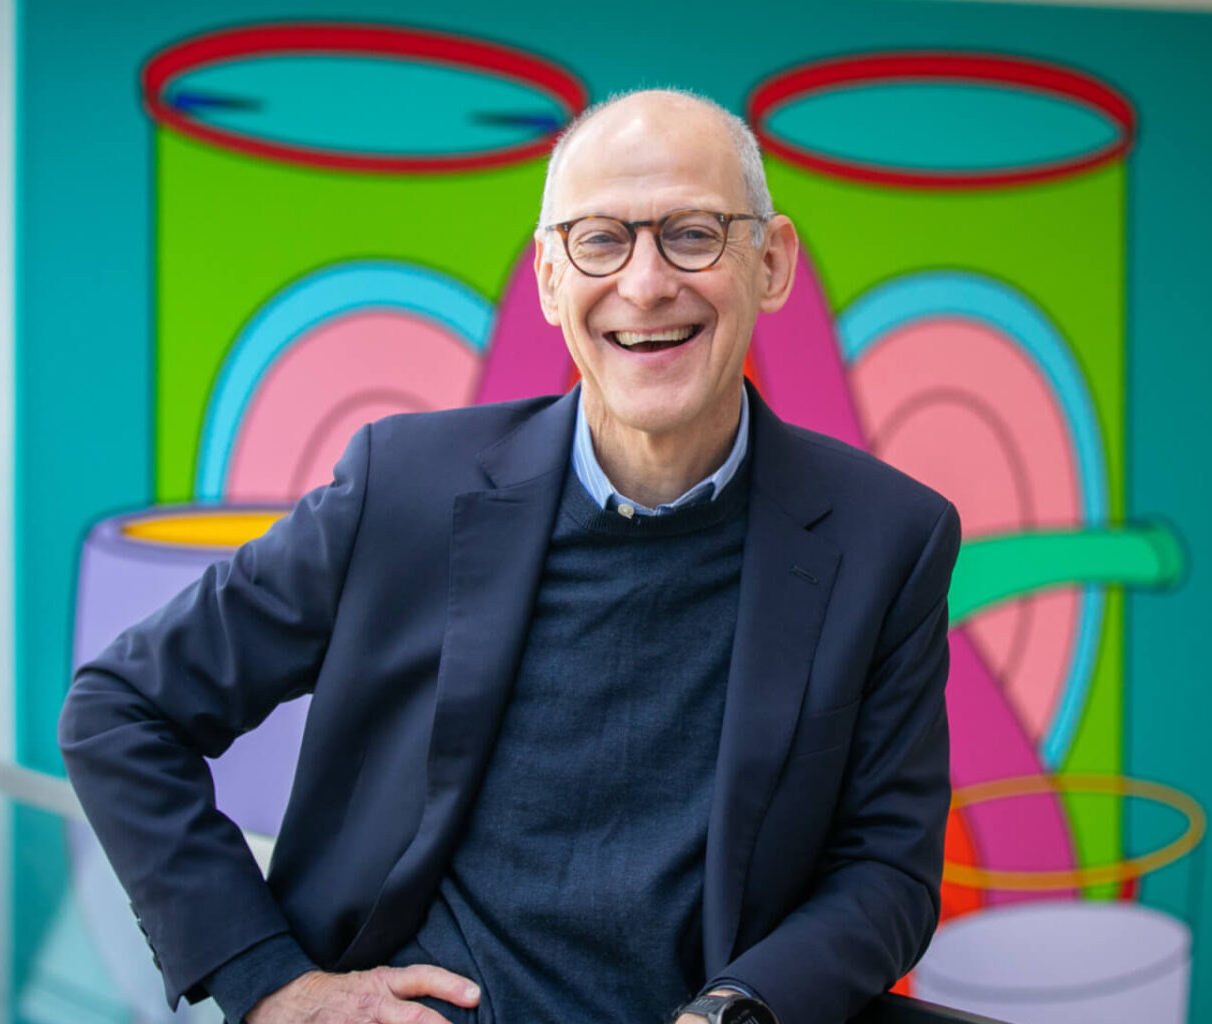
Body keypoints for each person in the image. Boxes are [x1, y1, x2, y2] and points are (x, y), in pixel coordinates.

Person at [59, 88, 961, 1024]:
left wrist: (739, 1009)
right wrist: (269, 983)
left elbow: (886, 869)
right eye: (601, 240)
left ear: (771, 264)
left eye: (692, 235)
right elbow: (121, 711)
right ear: (548, 281)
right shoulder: (401, 486)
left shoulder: (886, 538)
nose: (646, 285)